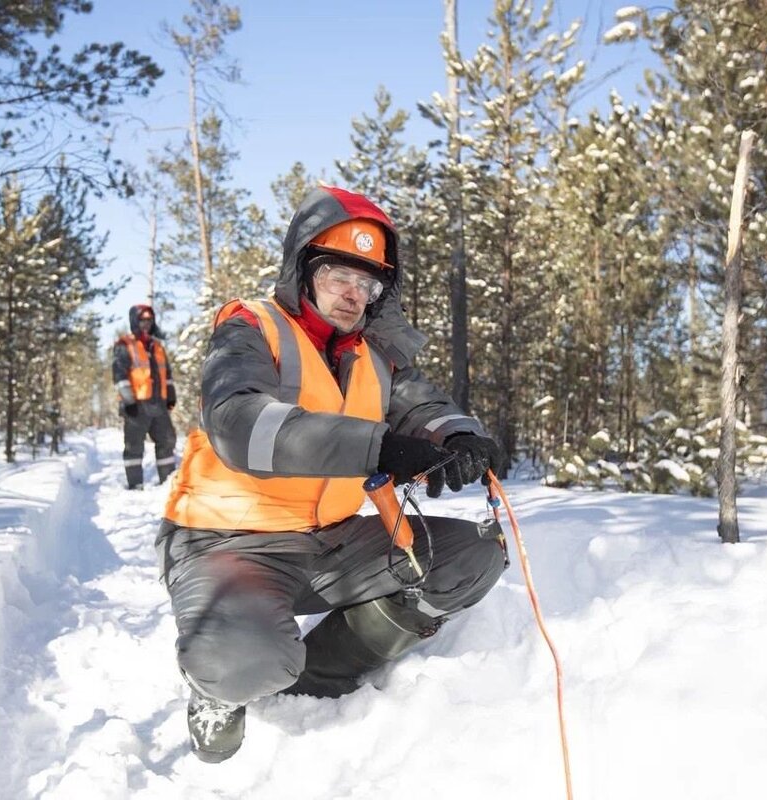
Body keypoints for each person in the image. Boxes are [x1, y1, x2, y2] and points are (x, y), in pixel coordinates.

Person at [157, 186, 508, 763]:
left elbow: (421, 405)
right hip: (227, 544)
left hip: (333, 542)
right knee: (247, 661)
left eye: (368, 284)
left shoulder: (373, 352)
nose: (353, 295)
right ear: (304, 270)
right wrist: (377, 448)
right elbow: (239, 421)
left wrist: (458, 434)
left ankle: (312, 680)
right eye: (339, 275)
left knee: (471, 559)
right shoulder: (252, 328)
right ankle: (222, 686)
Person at [113, 303, 177, 489]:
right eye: (143, 319)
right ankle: (135, 485)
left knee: (167, 441)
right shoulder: (125, 345)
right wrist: (129, 401)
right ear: (135, 320)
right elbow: (119, 377)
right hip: (136, 406)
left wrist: (170, 396)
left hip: (159, 404)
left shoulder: (157, 347)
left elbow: (168, 376)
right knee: (134, 446)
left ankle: (167, 483)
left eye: (150, 319)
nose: (146, 323)